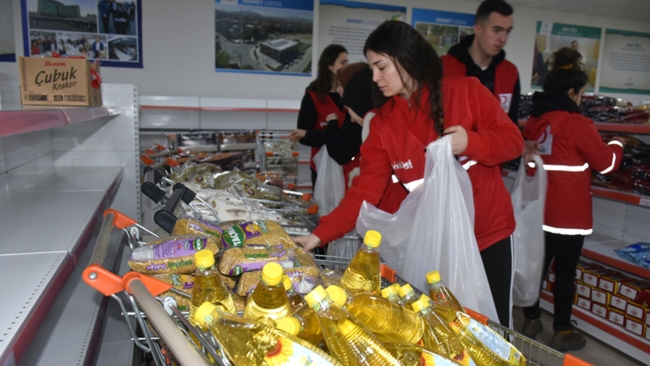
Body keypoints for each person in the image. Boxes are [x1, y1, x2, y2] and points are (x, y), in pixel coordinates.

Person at [293, 20, 524, 327]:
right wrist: (318, 235)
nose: (375, 78)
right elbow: (364, 194)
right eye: (372, 69)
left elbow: (513, 143)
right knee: (447, 330)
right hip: (436, 242)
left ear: (406, 59)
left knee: (493, 332)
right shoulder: (385, 124)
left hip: (487, 237)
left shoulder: (467, 92)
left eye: (381, 67)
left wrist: (472, 142)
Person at [521, 47, 625, 351]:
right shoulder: (578, 125)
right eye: (580, 94)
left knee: (536, 269)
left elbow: (529, 164)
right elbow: (606, 164)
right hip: (569, 218)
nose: (580, 100)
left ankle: (530, 319)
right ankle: (563, 332)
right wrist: (617, 142)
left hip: (538, 213)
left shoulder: (535, 124)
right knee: (565, 274)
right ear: (571, 92)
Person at [442, 0, 520, 124]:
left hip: (494, 143)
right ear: (478, 29)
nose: (503, 39)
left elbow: (512, 124)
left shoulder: (510, 72)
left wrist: (524, 142)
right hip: (451, 142)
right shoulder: (444, 66)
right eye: (497, 30)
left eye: (507, 31)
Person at [289, 44, 348, 188]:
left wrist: (322, 134)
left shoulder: (349, 93)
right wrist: (330, 136)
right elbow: (302, 135)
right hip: (323, 167)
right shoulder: (313, 97)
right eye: (343, 63)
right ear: (329, 65)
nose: (347, 66)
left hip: (349, 166)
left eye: (347, 62)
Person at [323, 62, 369, 188]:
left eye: (340, 85)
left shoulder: (359, 113)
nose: (338, 89)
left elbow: (340, 151)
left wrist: (332, 125)